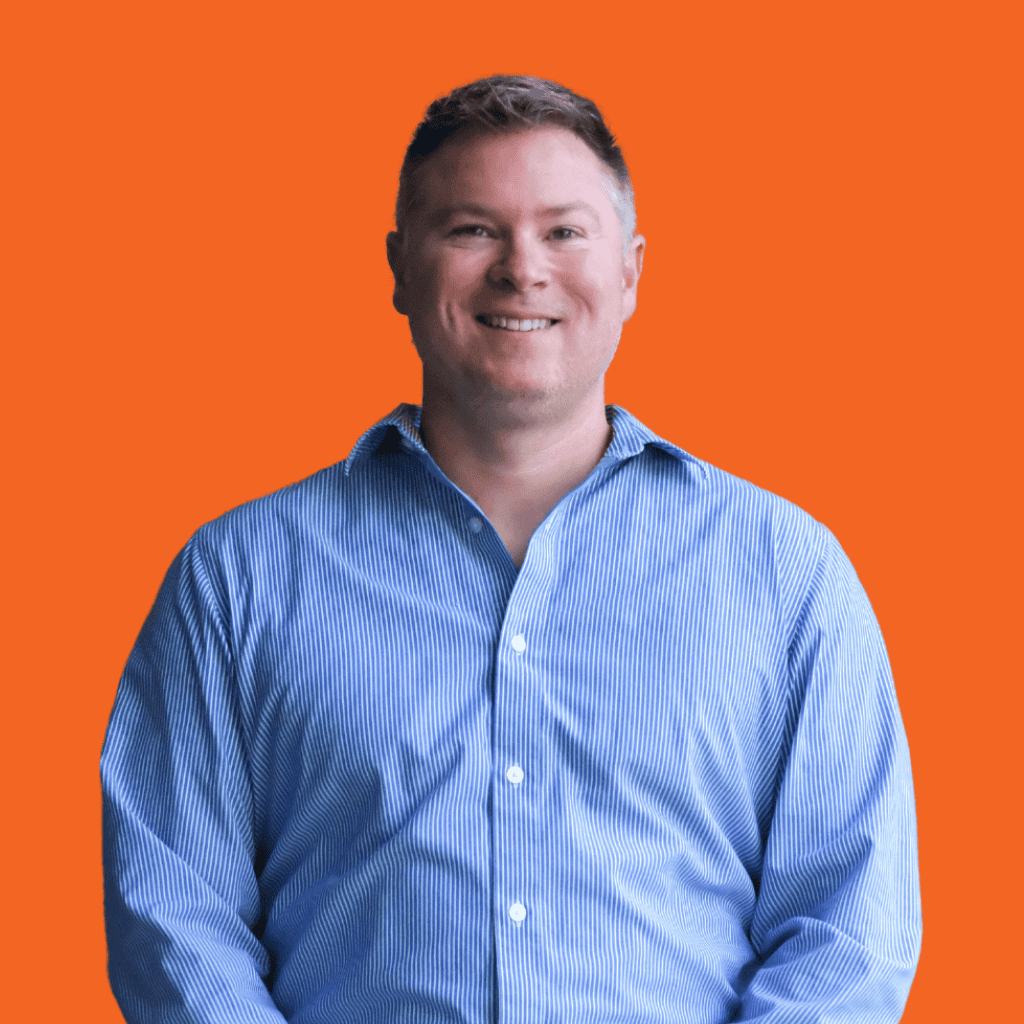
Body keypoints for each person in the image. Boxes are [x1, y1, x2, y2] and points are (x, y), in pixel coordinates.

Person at [101, 75, 922, 1023]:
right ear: (400, 267)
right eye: (472, 230)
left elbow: (848, 930)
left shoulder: (788, 574)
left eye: (564, 231)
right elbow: (175, 921)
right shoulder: (235, 579)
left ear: (631, 271)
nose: (521, 269)